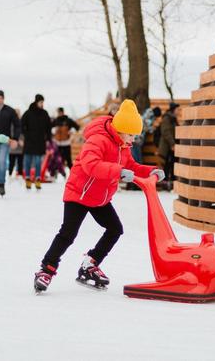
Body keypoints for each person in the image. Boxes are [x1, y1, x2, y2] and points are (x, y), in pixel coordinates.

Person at [33, 99, 164, 293]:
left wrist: (151, 171)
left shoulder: (123, 147)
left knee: (115, 229)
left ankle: (90, 264)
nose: (133, 140)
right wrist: (118, 171)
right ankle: (46, 270)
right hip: (78, 194)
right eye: (131, 135)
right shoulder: (98, 139)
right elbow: (91, 165)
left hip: (99, 198)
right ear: (120, 129)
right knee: (68, 234)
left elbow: (132, 167)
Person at [21, 94, 51, 190]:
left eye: (43, 102)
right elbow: (22, 125)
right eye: (41, 102)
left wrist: (48, 139)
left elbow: (48, 127)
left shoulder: (45, 113)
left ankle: (38, 179)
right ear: (36, 102)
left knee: (38, 162)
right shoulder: (28, 113)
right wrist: (25, 135)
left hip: (40, 141)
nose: (42, 104)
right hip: (29, 141)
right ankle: (28, 179)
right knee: (28, 161)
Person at [158, 102, 179, 191]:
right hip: (167, 147)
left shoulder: (173, 119)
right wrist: (172, 144)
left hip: (172, 147)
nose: (179, 111)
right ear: (173, 109)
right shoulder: (167, 118)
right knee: (167, 166)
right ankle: (165, 185)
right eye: (178, 109)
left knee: (172, 165)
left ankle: (171, 185)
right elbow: (166, 132)